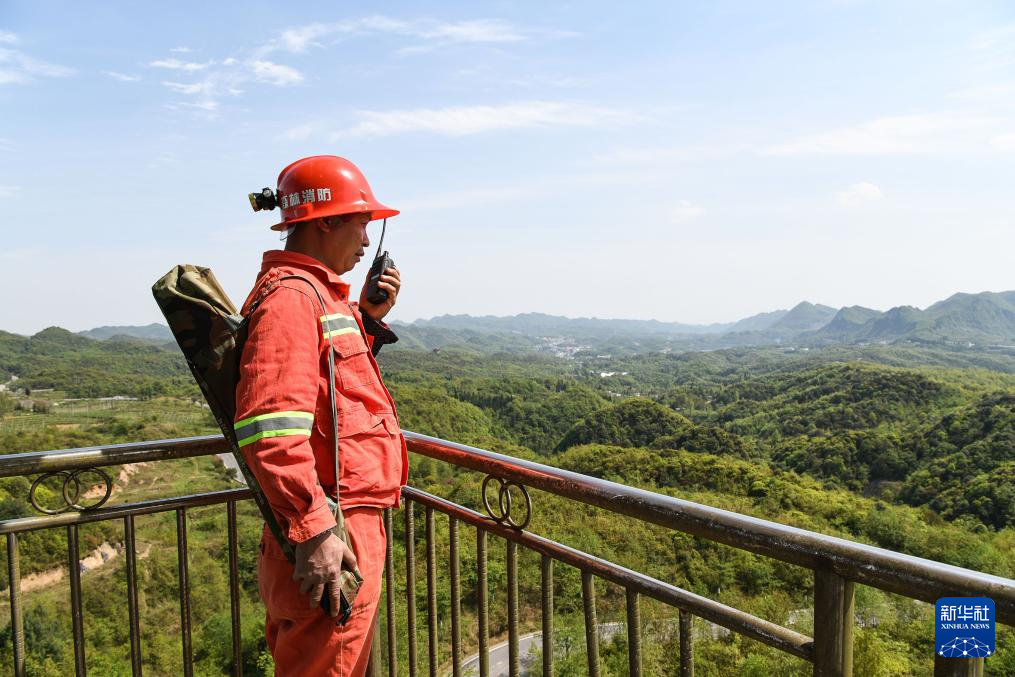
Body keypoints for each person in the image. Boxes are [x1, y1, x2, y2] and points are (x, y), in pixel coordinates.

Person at [234, 155, 406, 676]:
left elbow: (333, 395)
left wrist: (368, 320)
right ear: (326, 221)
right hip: (331, 529)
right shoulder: (292, 299)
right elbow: (271, 430)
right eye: (361, 223)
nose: (366, 240)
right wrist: (314, 531)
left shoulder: (318, 297)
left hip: (338, 525)